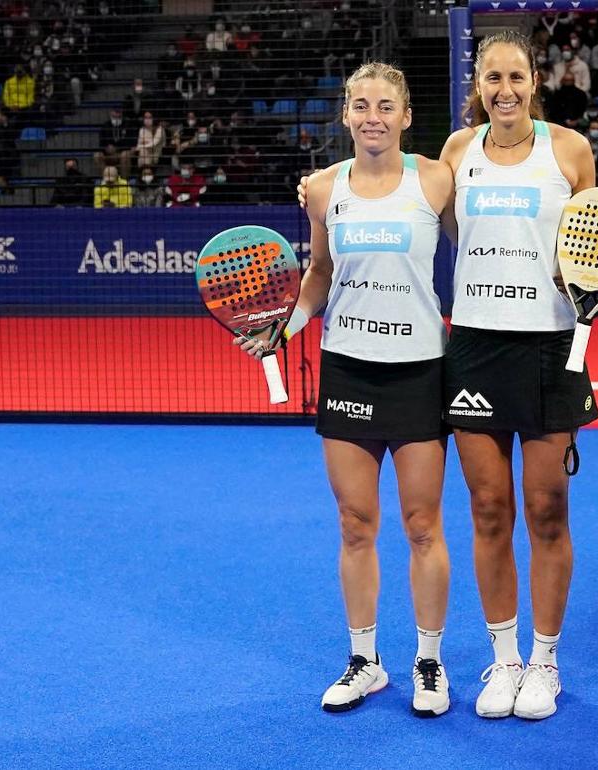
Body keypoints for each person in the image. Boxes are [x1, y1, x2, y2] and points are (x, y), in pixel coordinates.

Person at [440, 30, 598, 721]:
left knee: (547, 510)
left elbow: (593, 238)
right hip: (472, 347)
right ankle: (503, 659)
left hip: (552, 346)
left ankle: (545, 662)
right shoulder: (457, 151)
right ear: (478, 83)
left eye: (516, 77)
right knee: (489, 510)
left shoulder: (570, 150)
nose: (504, 89)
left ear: (536, 80)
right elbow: (420, 214)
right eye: (492, 78)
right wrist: (323, 189)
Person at [256, 62, 456, 716]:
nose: (373, 115)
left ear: (404, 116)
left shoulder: (435, 180)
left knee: (423, 524)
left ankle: (429, 662)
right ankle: (365, 660)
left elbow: (482, 248)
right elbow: (318, 272)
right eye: (361, 104)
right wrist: (285, 327)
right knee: (354, 523)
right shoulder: (321, 189)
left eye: (386, 105)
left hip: (420, 370)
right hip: (348, 367)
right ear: (346, 115)